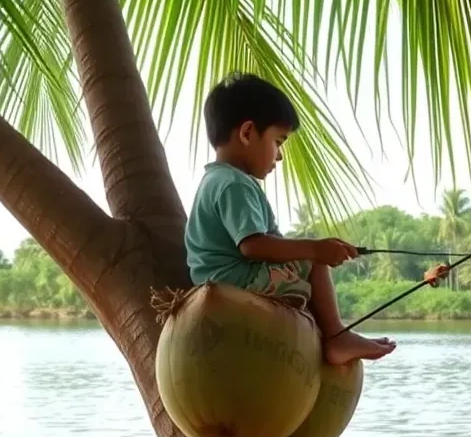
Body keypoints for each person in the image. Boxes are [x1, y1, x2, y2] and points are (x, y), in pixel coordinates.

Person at [185, 73, 449, 365]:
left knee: (308, 259)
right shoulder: (234, 184)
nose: (280, 156)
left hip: (218, 282)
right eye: (278, 141)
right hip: (237, 282)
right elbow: (253, 246)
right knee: (313, 261)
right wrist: (315, 249)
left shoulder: (214, 181)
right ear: (248, 133)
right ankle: (337, 337)